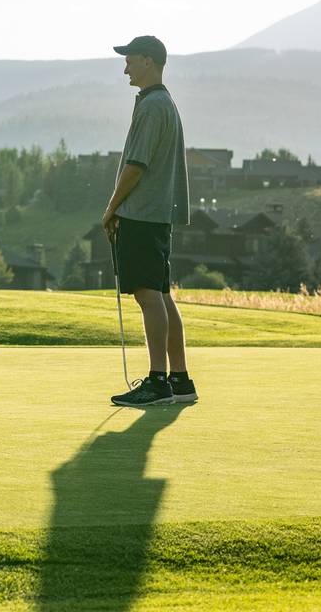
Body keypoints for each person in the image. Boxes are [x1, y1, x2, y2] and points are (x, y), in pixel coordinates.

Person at [102, 35, 197, 408]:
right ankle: (179, 379)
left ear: (148, 60)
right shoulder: (160, 103)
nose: (125, 67)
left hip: (141, 214)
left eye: (129, 59)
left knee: (147, 293)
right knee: (159, 293)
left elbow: (135, 166)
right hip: (156, 215)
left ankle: (158, 381)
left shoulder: (154, 106)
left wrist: (111, 208)